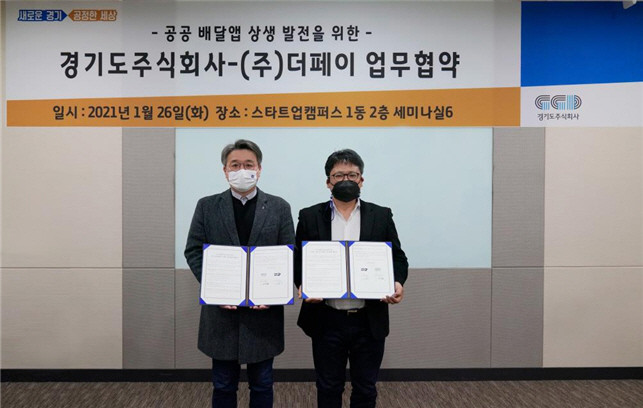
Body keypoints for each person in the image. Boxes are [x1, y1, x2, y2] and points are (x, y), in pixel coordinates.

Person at [294, 149, 408, 408]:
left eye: (352, 175)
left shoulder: (381, 215)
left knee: (366, 388)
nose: (346, 180)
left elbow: (398, 258)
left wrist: (397, 282)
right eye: (339, 175)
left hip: (369, 318)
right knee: (328, 387)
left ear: (361, 180)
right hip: (326, 318)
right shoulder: (309, 216)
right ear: (328, 182)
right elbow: (299, 259)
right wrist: (302, 285)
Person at [185, 139, 295, 408]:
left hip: (263, 315)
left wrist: (273, 293)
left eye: (248, 164)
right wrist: (214, 288)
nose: (242, 170)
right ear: (225, 171)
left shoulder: (279, 207)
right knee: (223, 385)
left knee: (262, 383)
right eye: (235, 165)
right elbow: (194, 251)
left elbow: (288, 253)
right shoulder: (207, 206)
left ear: (259, 169)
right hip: (222, 314)